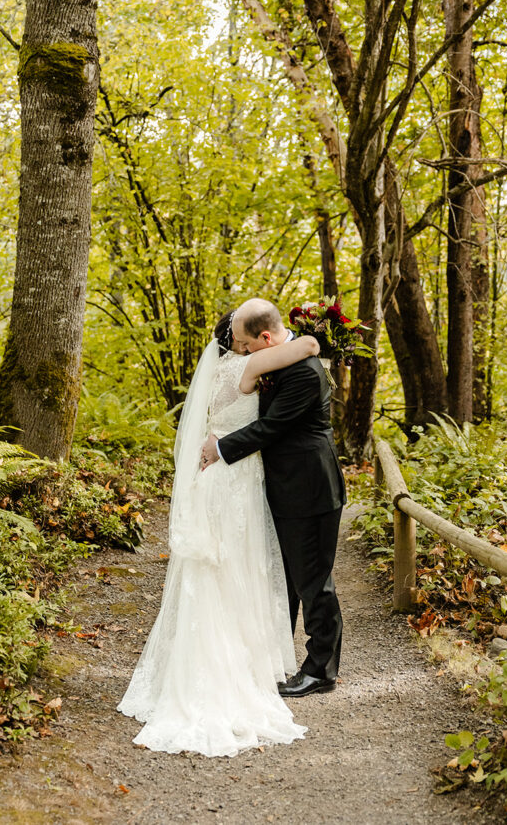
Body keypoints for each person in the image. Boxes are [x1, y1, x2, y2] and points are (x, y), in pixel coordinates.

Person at [116, 310, 318, 756]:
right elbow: (308, 347)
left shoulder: (220, 371)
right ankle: (230, 669)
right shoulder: (244, 367)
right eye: (245, 342)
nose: (249, 348)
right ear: (239, 342)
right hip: (234, 479)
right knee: (237, 569)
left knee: (218, 573)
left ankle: (204, 663)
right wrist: (305, 333)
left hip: (219, 477)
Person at [201, 298, 346, 697]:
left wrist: (222, 448)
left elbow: (271, 427)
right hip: (282, 487)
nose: (244, 351)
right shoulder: (281, 358)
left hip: (310, 488)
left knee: (314, 581)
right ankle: (278, 658)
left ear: (266, 337)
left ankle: (321, 670)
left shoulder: (303, 372)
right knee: (285, 580)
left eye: (248, 345)